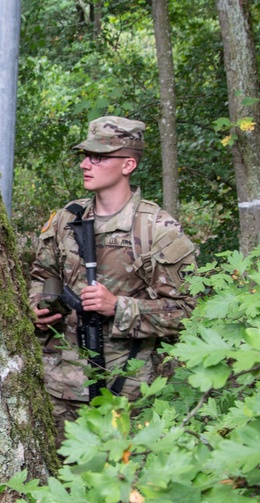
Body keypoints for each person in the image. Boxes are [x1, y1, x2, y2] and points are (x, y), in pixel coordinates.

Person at [28, 116, 197, 437]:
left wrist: (118, 307)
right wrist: (39, 307)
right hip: (64, 389)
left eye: (99, 157)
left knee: (127, 483)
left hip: (131, 393)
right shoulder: (66, 219)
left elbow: (187, 312)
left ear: (128, 164)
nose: (85, 164)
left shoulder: (157, 230)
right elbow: (42, 274)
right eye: (85, 156)